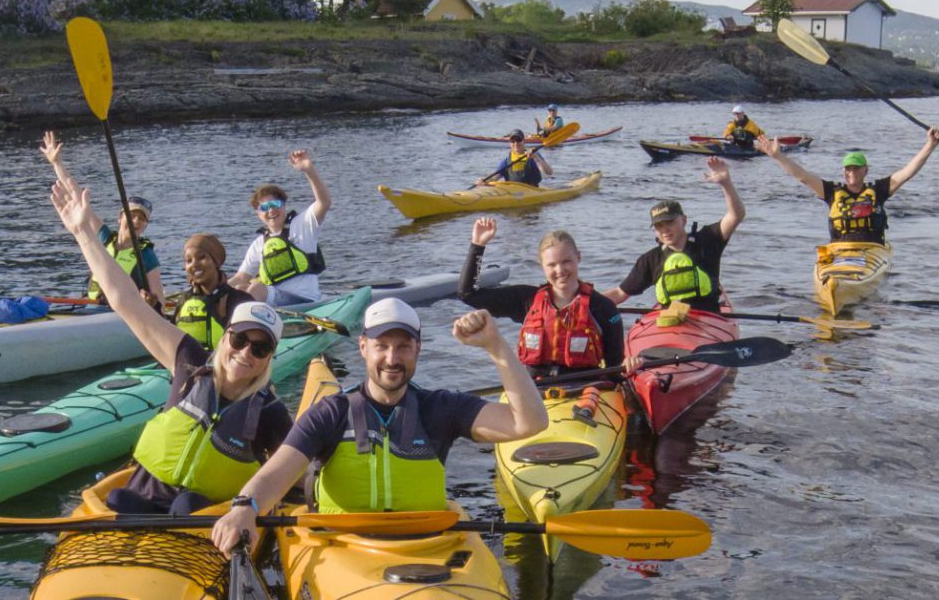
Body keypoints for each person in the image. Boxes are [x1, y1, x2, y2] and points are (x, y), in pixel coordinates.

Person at [210, 299, 550, 557]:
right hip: (344, 550)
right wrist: (245, 507)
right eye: (381, 346)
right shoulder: (330, 413)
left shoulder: (442, 408)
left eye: (403, 346)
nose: (392, 358)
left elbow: (529, 422)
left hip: (427, 548)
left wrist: (496, 346)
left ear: (418, 349)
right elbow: (277, 473)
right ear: (363, 348)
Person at [49, 173, 293, 515]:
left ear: (269, 358)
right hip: (138, 505)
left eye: (260, 348)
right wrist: (82, 234)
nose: (245, 353)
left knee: (187, 504)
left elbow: (298, 479)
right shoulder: (190, 362)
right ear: (225, 338)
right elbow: (125, 301)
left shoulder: (270, 412)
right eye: (239, 340)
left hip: (200, 524)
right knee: (120, 499)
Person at [459, 217, 625, 379]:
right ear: (542, 265)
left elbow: (614, 368)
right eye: (551, 265)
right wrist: (478, 245)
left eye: (566, 261)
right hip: (536, 392)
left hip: (586, 393)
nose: (560, 270)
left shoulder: (604, 308)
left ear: (578, 258)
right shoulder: (526, 300)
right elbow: (468, 294)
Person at [602, 157, 745, 313]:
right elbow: (619, 293)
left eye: (670, 222)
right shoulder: (651, 259)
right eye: (659, 226)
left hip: (707, 318)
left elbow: (736, 215)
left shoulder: (707, 240)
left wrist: (726, 183)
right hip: (670, 322)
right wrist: (586, 301)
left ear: (683, 220)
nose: (665, 230)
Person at [41, 131, 165, 309]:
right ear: (120, 218)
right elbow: (76, 196)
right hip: (90, 307)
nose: (136, 221)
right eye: (132, 216)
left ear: (145, 225)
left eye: (142, 219)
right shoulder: (105, 237)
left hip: (121, 314)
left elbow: (159, 300)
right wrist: (56, 163)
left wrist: (152, 303)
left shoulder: (147, 256)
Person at [757, 128, 939, 244]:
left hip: (872, 250)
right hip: (840, 250)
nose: (852, 172)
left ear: (866, 171)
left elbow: (907, 172)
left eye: (856, 168)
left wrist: (930, 145)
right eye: (848, 169)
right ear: (843, 172)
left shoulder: (878, 190)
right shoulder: (832, 191)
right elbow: (802, 176)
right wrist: (778, 157)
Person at [229, 149, 331, 306]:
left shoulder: (301, 225)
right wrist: (215, 292)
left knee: (257, 288)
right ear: (258, 214)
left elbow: (324, 202)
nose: (271, 210)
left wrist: (308, 170)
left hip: (306, 301)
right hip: (275, 302)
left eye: (276, 204)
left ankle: (249, 326)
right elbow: (241, 277)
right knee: (241, 288)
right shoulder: (259, 244)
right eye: (265, 207)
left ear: (284, 206)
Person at [171, 233, 255, 351]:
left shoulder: (240, 301)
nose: (194, 264)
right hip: (187, 365)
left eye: (201, 257)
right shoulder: (184, 300)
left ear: (216, 262)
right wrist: (154, 307)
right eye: (188, 260)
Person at [475, 129, 553, 188]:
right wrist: (484, 181)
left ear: (524, 141)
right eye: (513, 141)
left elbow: (548, 172)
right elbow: (495, 177)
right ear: (510, 143)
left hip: (532, 190)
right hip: (512, 192)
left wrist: (536, 158)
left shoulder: (534, 155)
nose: (515, 143)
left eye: (518, 140)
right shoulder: (506, 161)